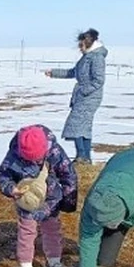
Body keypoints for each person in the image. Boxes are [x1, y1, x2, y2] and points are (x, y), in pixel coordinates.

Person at [0, 124, 78, 267]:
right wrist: (12, 189)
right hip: (27, 201)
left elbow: (68, 175)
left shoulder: (54, 152)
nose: (34, 161)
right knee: (27, 232)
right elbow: (3, 176)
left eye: (38, 158)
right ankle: (25, 266)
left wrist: (69, 202)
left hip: (51, 200)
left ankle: (53, 262)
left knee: (52, 230)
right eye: (29, 159)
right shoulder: (14, 154)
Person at [45, 28, 108, 165]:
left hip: (89, 96)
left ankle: (81, 156)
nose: (79, 48)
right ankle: (86, 157)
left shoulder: (96, 57)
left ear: (88, 43)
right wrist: (54, 73)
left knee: (76, 124)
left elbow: (99, 80)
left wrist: (84, 91)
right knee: (84, 126)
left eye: (81, 45)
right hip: (83, 95)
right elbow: (73, 72)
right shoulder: (87, 57)